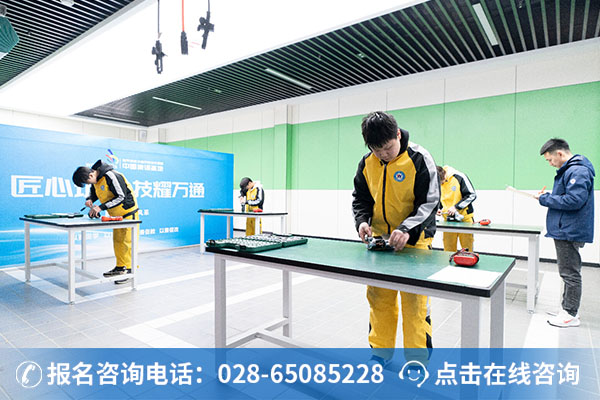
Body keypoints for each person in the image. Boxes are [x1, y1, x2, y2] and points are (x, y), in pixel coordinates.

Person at [352, 111, 439, 365]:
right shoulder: (367, 163)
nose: (384, 155)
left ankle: (417, 360)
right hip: (380, 243)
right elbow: (361, 199)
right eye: (377, 150)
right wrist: (362, 221)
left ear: (398, 135)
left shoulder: (420, 158)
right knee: (379, 299)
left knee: (415, 304)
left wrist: (407, 229)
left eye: (388, 148)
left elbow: (430, 202)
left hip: (415, 243)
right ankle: (380, 354)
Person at [535, 138, 595, 328]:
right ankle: (567, 309)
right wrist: (548, 198)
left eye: (550, 160)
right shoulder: (571, 170)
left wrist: (546, 199)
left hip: (569, 229)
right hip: (566, 227)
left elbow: (574, 200)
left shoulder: (578, 171)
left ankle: (570, 313)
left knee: (570, 273)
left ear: (560, 153)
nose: (550, 164)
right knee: (567, 271)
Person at [72, 160, 139, 284]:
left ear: (91, 175)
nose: (89, 185)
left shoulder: (112, 176)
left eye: (87, 182)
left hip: (128, 213)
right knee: (118, 241)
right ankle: (120, 267)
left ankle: (130, 271)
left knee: (128, 242)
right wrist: (90, 199)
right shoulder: (96, 179)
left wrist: (100, 208)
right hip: (116, 216)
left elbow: (121, 196)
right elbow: (94, 192)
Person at [436, 165, 477, 251]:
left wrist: (456, 207)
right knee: (448, 251)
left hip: (465, 220)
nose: (440, 185)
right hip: (448, 221)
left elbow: (472, 195)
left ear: (443, 176)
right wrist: (438, 208)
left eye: (440, 182)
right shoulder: (437, 182)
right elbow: (439, 198)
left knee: (467, 250)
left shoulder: (459, 177)